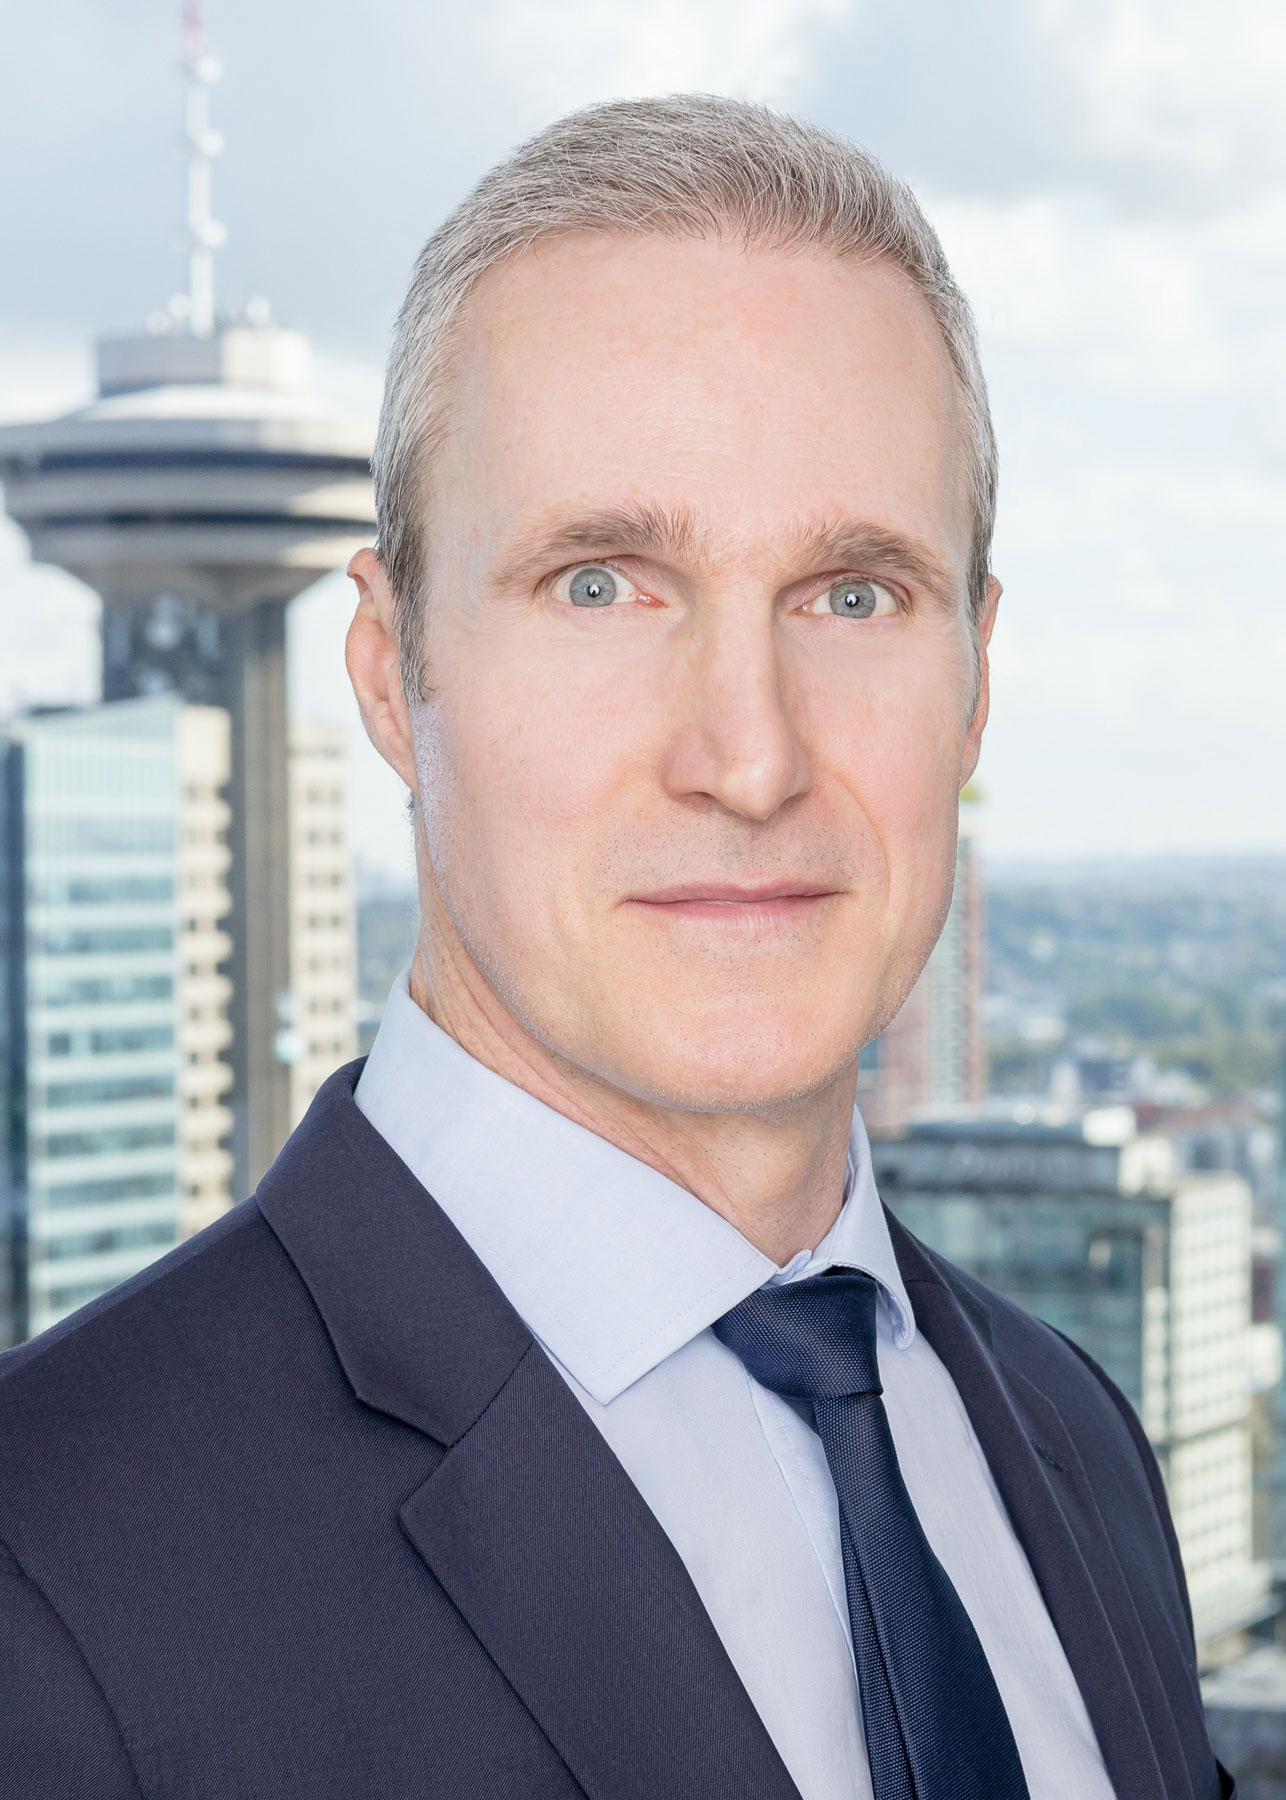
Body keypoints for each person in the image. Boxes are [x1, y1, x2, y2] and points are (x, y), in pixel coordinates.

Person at [0, 96, 1231, 1800]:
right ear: (392, 675)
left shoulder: (1071, 1439)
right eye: (601, 584)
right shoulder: (45, 1574)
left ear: (974, 678)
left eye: (853, 594)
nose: (749, 756)